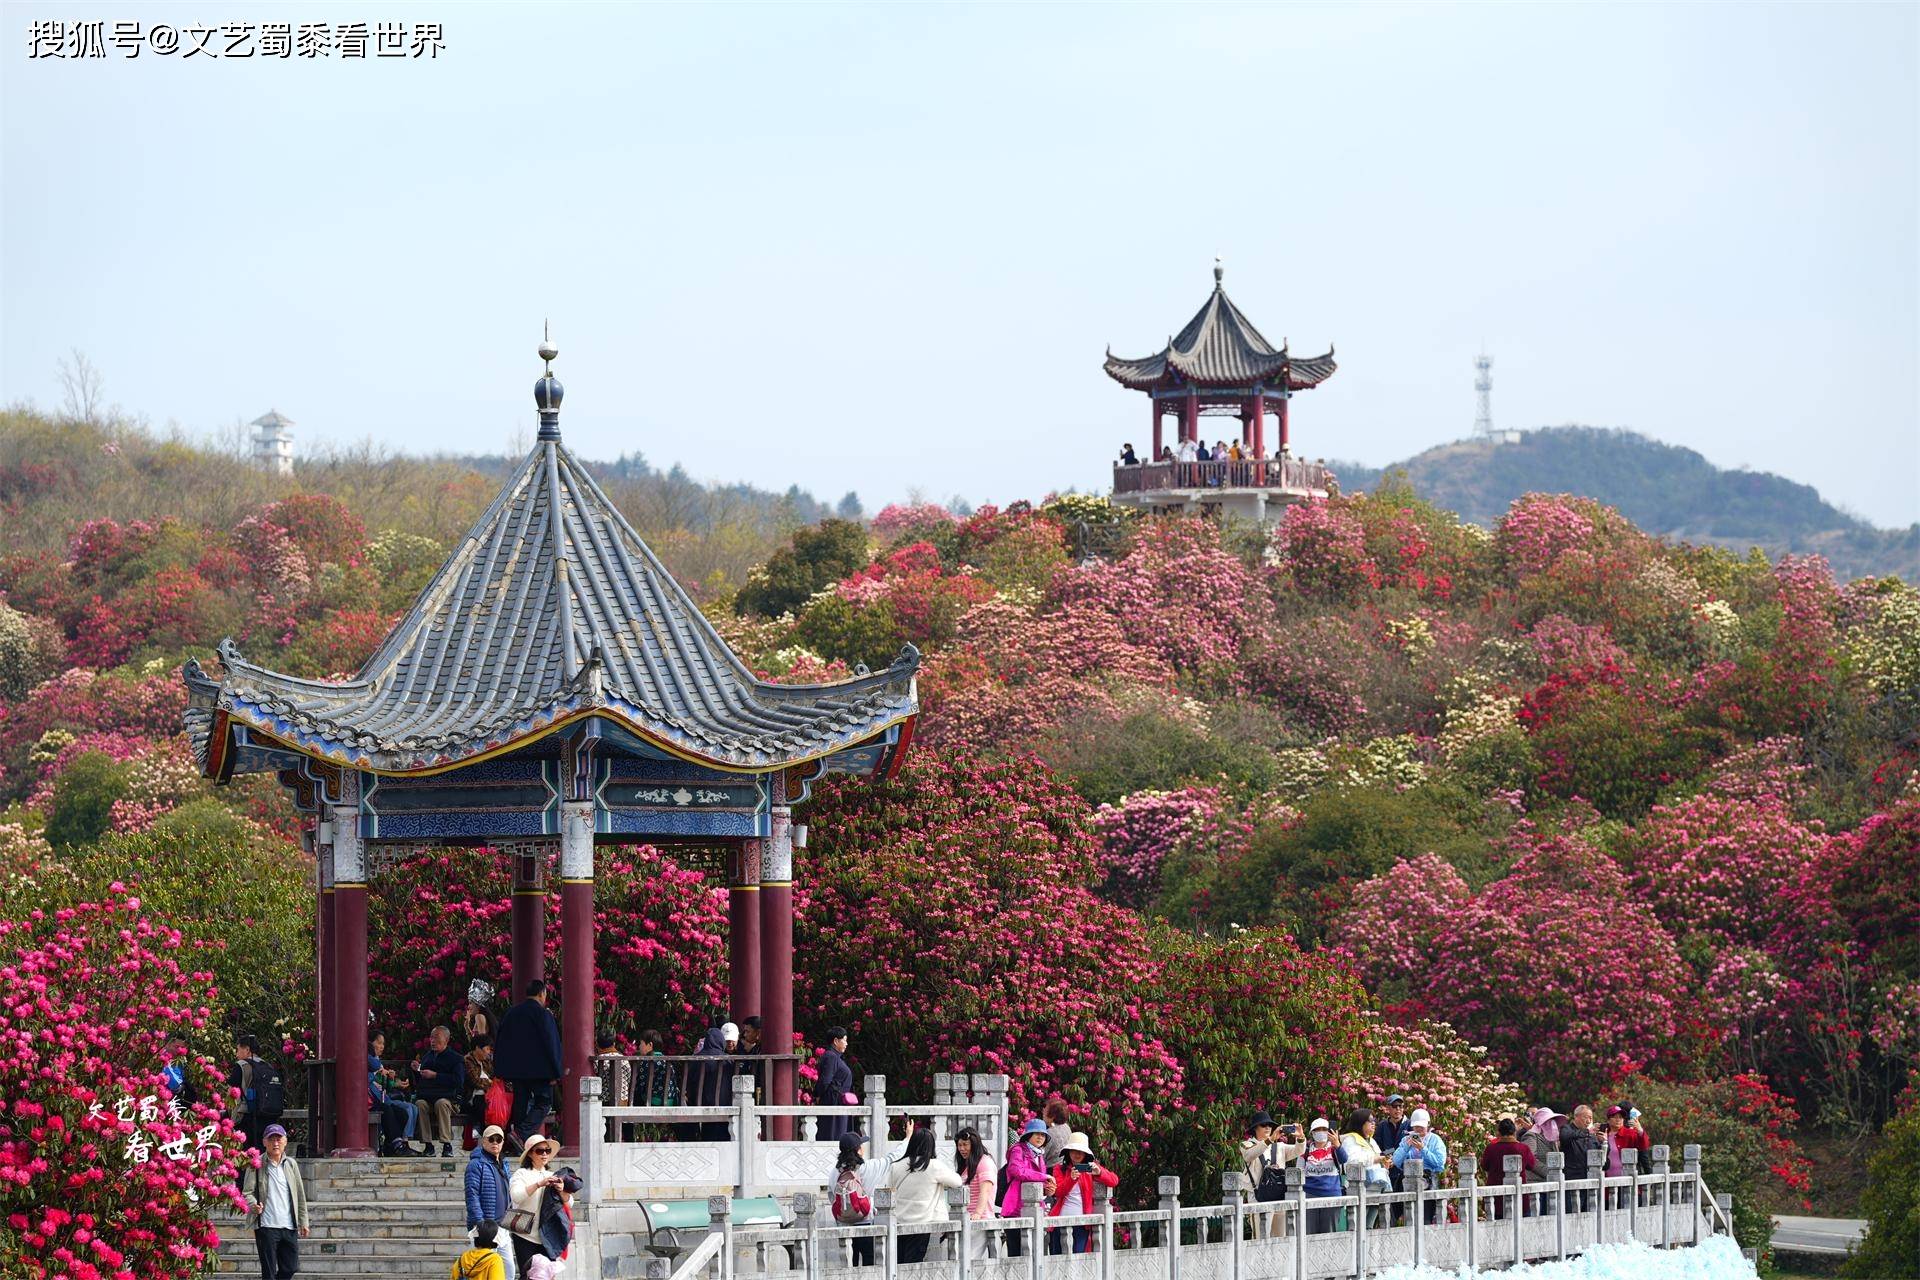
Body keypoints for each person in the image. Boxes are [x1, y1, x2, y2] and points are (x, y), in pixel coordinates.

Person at [494, 981, 562, 1152]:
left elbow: (500, 1041)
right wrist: (556, 1071)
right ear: (542, 994)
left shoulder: (512, 1013)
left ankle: (517, 1144)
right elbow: (551, 1044)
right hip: (540, 1070)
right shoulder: (543, 1015)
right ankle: (520, 1133)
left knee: (520, 1104)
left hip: (516, 1070)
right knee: (544, 1103)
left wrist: (501, 1069)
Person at [240, 1124, 309, 1279]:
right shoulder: (256, 1164)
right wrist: (254, 1206)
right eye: (271, 1139)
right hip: (266, 1226)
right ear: (264, 1142)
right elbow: (247, 1193)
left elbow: (300, 1195)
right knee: (269, 1273)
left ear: (285, 1141)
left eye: (279, 1139)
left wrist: (304, 1221)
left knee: (291, 1267)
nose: (275, 1143)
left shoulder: (291, 1164)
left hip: (289, 1226)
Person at [892, 1125, 964, 1263]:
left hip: (899, 1222)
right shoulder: (934, 1165)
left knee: (898, 1264)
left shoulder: (896, 1166)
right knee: (913, 1264)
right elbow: (957, 1181)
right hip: (921, 1223)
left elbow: (888, 1188)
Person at [506, 1136, 572, 1272]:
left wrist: (562, 1191)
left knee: (547, 1273)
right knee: (529, 1274)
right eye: (539, 1151)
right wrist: (539, 1184)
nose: (544, 1154)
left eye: (547, 1151)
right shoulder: (521, 1173)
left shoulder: (553, 1174)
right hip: (525, 1233)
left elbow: (569, 1203)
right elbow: (516, 1197)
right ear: (530, 1154)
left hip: (549, 1233)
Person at [1048, 1132, 1118, 1254]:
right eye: (1073, 1150)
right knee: (1056, 1257)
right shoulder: (1059, 1169)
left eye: (1080, 1151)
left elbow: (1114, 1180)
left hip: (1082, 1222)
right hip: (1059, 1220)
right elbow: (1058, 1192)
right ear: (1068, 1152)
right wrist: (1071, 1178)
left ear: (1085, 1153)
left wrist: (1099, 1172)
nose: (1077, 1154)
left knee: (1079, 1256)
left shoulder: (1090, 1168)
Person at [465, 1126, 518, 1280]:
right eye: (491, 1139)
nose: (495, 1143)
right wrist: (481, 1224)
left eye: (499, 1139)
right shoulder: (476, 1164)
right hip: (485, 1227)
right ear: (483, 1141)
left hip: (502, 1227)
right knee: (482, 1272)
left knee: (509, 1270)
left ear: (502, 1142)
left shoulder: (503, 1163)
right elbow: (471, 1195)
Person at [1001, 1117, 1053, 1257]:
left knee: (1034, 1252)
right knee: (1016, 1251)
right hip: (1015, 1207)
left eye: (1043, 1135)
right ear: (1028, 1135)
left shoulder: (1039, 1155)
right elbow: (1016, 1170)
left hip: (1034, 1208)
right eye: (1036, 1133)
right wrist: (1044, 1177)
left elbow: (1038, 1180)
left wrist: (1047, 1189)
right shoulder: (1017, 1149)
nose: (1040, 1137)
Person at [413, 1025, 468, 1157]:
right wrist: (416, 1071)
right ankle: (428, 1145)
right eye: (431, 1037)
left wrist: (436, 1076)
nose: (432, 1041)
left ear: (446, 1040)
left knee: (441, 1103)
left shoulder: (456, 1059)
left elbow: (458, 1081)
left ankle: (446, 1144)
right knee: (420, 1104)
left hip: (450, 1100)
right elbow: (420, 1082)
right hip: (428, 1097)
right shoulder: (427, 1057)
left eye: (436, 1037)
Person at [1391, 1108, 1449, 1225]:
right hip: (1407, 1182)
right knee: (1408, 1216)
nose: (1418, 1129)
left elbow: (1439, 1163)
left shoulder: (1435, 1140)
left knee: (1425, 1218)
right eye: (1415, 1126)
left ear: (1427, 1124)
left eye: (1421, 1126)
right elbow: (1396, 1161)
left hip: (1427, 1181)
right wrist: (1406, 1147)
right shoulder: (1406, 1139)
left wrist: (1423, 1149)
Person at [1337, 1108, 1392, 1228]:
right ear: (1360, 1122)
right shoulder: (1350, 1139)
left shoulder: (1371, 1140)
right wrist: (1376, 1159)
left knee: (1369, 1227)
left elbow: (1378, 1159)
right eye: (1370, 1120)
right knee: (1358, 1226)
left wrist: (1385, 1163)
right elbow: (1351, 1162)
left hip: (1376, 1188)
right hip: (1360, 1189)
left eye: (1375, 1120)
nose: (1374, 1123)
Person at [832, 1132, 879, 1266]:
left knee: (848, 1264)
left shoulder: (835, 1172)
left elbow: (832, 1196)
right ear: (858, 1150)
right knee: (869, 1261)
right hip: (865, 1222)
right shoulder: (867, 1168)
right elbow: (890, 1159)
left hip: (843, 1224)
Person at [369, 1032, 420, 1156]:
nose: (381, 1046)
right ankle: (398, 1144)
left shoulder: (375, 1062)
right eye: (379, 1043)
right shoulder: (368, 1059)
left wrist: (392, 1080)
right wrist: (380, 1070)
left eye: (383, 1044)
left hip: (381, 1097)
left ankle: (396, 1144)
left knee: (404, 1112)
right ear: (370, 1044)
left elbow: (384, 1085)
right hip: (371, 1101)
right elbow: (375, 1067)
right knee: (395, 1109)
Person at [954, 1126, 997, 1260]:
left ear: (974, 1143)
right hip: (966, 1219)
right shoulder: (967, 1165)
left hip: (979, 1219)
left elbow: (985, 1191)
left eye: (965, 1145)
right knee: (961, 1260)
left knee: (969, 1259)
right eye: (959, 1145)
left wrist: (977, 1213)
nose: (962, 1149)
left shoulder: (985, 1162)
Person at [1480, 1118, 1535, 1220]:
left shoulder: (1491, 1148)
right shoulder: (1523, 1148)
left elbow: (1484, 1166)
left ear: (1498, 1132)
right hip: (1519, 1196)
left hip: (1495, 1196)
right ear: (1514, 1132)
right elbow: (1531, 1165)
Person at [1299, 1119, 1343, 1234]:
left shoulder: (1334, 1149)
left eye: (1324, 1129)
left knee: (1329, 1233)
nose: (1321, 1132)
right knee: (1308, 1233)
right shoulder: (1305, 1150)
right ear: (1312, 1133)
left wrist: (1337, 1145)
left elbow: (1344, 1159)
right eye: (1318, 1130)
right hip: (1309, 1195)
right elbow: (1299, 1172)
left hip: (1331, 1195)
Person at [1560, 1105, 1603, 1213]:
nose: (1589, 1121)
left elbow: (1602, 1159)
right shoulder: (1566, 1129)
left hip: (1589, 1180)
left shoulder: (1592, 1135)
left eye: (1591, 1118)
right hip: (1572, 1180)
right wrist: (1587, 1132)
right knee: (1571, 1214)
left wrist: (1604, 1143)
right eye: (1586, 1117)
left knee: (1589, 1214)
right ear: (1576, 1117)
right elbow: (1565, 1137)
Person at [591, 1032, 633, 1142]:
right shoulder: (624, 1059)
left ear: (597, 1045)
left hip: (604, 1101)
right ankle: (629, 1140)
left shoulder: (597, 1060)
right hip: (622, 1101)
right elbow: (628, 1079)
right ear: (614, 1043)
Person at [816, 1028, 855, 1142]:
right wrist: (818, 1095)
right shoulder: (831, 1057)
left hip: (839, 1101)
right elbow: (825, 1081)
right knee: (834, 1136)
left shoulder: (835, 1057)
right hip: (834, 1101)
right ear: (836, 1041)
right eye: (844, 1040)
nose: (846, 1043)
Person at [1374, 1096, 1407, 1220]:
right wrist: (1389, 1155)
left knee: (1406, 1209)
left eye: (1400, 1106)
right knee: (1390, 1211)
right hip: (1388, 1171)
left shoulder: (1409, 1125)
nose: (1398, 1109)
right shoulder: (1382, 1126)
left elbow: (1409, 1147)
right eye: (1394, 1106)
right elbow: (1377, 1147)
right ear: (1388, 1108)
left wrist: (1395, 1156)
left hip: (1405, 1172)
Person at [464, 1034, 498, 1133]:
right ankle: (485, 1135)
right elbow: (475, 1081)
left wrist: (491, 1082)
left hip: (488, 1096)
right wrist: (491, 1082)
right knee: (484, 1108)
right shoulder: (467, 1061)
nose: (488, 1052)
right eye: (487, 1049)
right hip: (472, 1098)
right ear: (478, 1048)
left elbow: (495, 1077)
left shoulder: (486, 1062)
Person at [1042, 1098, 1072, 1166]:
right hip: (1066, 1167)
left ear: (1052, 1116)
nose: (1043, 1111)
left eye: (1046, 1110)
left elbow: (1041, 1157)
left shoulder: (1049, 1134)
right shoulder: (1066, 1126)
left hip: (1052, 1171)